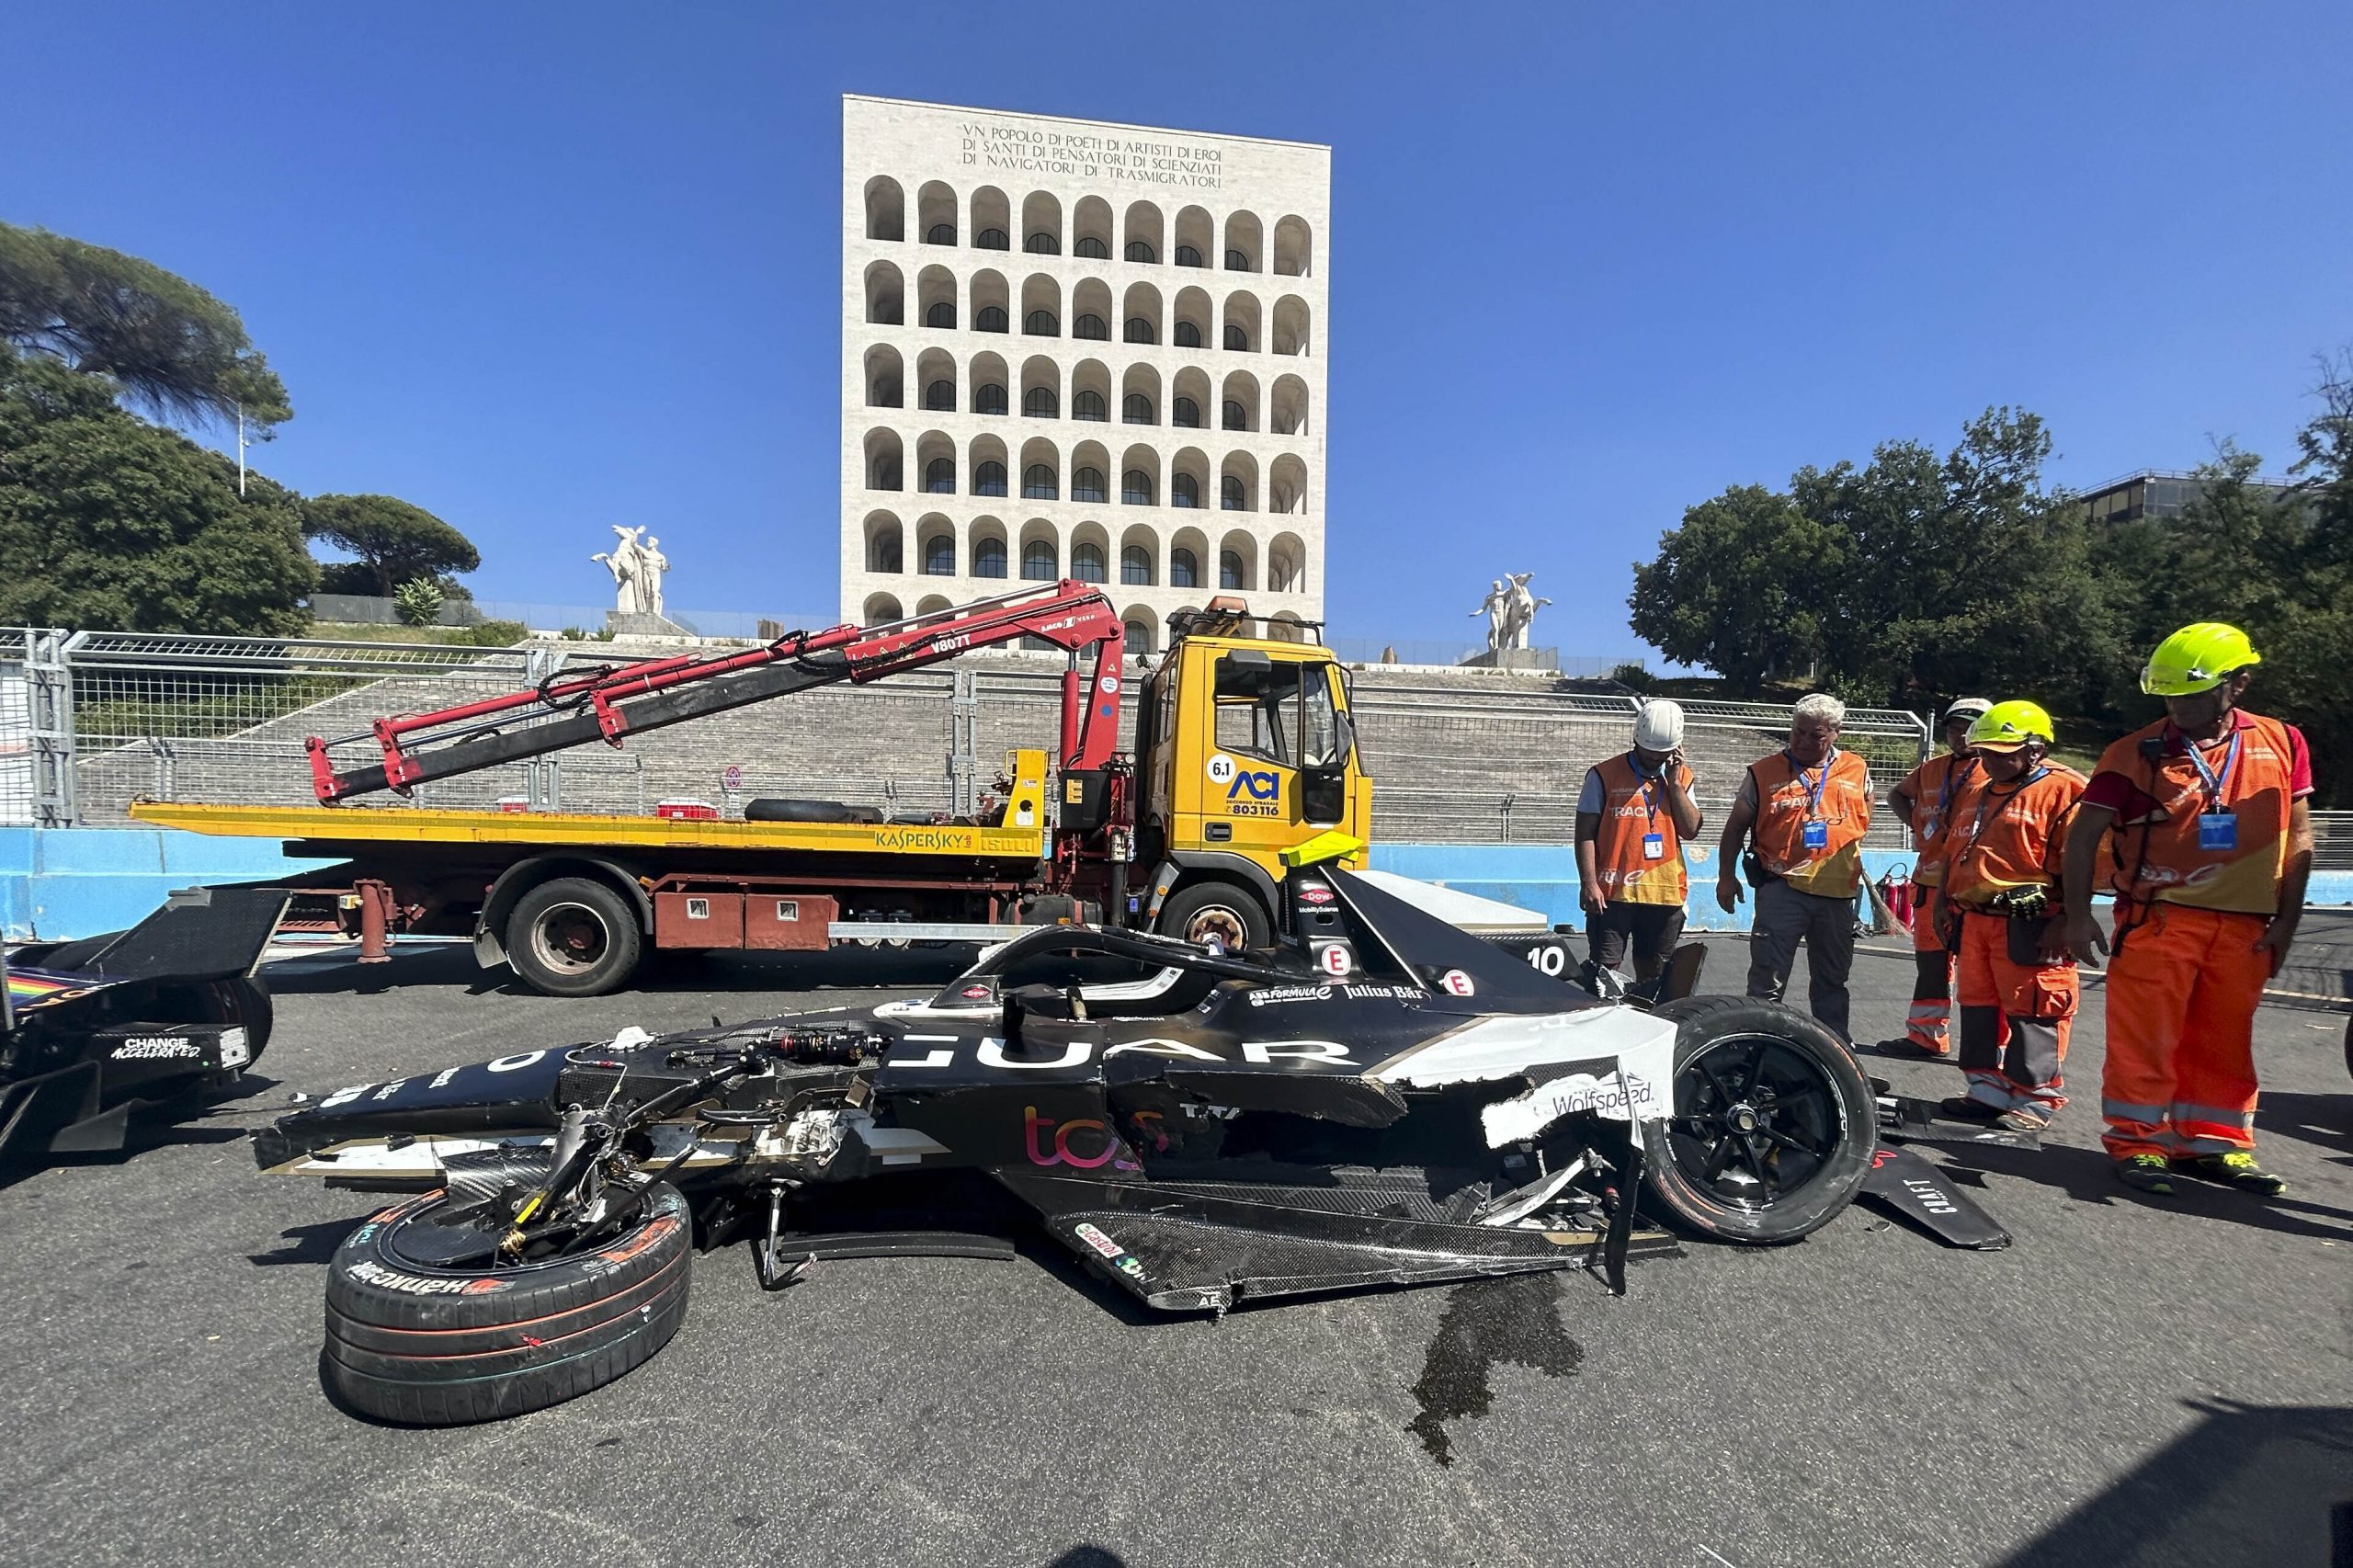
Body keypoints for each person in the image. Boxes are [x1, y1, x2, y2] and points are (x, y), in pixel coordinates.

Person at [2063, 622, 2315, 1198]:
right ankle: (2138, 1142)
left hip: (2248, 927)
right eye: (2170, 696)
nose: (2178, 707)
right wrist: (2077, 914)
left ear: (2238, 684)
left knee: (2225, 1041)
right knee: (2145, 1040)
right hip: (2159, 920)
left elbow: (2300, 834)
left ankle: (2214, 1142)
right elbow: (2083, 836)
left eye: (2194, 695)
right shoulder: (2132, 752)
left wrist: (2287, 921)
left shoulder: (2283, 741)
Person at [1924, 701, 2084, 1131]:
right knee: (1978, 1006)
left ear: (2035, 749)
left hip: (2030, 922)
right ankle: (1986, 1089)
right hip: (1973, 919)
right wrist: (1942, 903)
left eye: (2001, 752)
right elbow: (1954, 852)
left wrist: (2066, 914)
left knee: (2033, 1011)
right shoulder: (1978, 790)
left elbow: (2085, 861)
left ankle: (2035, 1097)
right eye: (1985, 752)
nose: (1989, 760)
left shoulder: (2064, 790)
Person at [1717, 693, 1873, 1039]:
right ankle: (1758, 1046)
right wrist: (1726, 876)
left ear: (1835, 732)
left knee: (1832, 981)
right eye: (1797, 732)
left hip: (1837, 895)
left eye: (1815, 735)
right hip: (1781, 890)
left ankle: (1836, 1050)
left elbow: (1865, 816)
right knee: (1767, 980)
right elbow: (1735, 829)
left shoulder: (1857, 768)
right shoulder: (1763, 773)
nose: (1802, 741)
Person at [1875, 698, 1992, 1058]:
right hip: (1928, 882)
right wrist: (1917, 825)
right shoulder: (1931, 768)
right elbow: (1897, 795)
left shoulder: (1995, 770)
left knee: (1980, 971)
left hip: (1972, 887)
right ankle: (1926, 1037)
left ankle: (1988, 1049)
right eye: (1955, 728)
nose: (1960, 735)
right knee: (1931, 966)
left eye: (1969, 728)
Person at [1575, 699, 1703, 981]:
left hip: (1664, 893)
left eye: (1663, 753)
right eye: (1649, 751)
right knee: (1604, 971)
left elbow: (1691, 829)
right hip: (1611, 893)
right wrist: (1589, 883)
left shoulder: (1681, 777)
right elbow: (1585, 833)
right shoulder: (1603, 775)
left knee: (1655, 974)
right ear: (1636, 739)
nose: (1655, 758)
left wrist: (1674, 784)